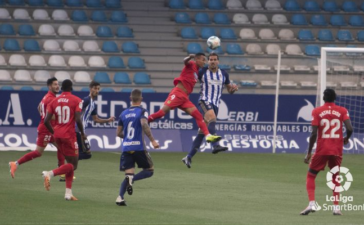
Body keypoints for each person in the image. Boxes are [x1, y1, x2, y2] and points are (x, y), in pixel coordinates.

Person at [300, 89, 353, 216]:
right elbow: (350, 128)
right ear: (335, 98)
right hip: (336, 150)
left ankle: (312, 203)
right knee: (335, 177)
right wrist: (346, 139)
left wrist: (308, 153)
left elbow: (314, 133)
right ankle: (336, 208)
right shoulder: (342, 110)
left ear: (323, 98)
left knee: (311, 175)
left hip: (322, 149)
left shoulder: (317, 111)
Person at [148, 53, 221, 143]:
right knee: (162, 113)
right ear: (197, 59)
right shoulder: (191, 64)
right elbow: (185, 61)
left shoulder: (197, 71)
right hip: (177, 94)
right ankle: (144, 121)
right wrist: (189, 57)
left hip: (184, 98)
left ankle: (208, 136)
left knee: (198, 116)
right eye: (203, 60)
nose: (204, 62)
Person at [182, 52, 238, 168]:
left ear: (218, 61)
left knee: (202, 133)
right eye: (210, 59)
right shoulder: (202, 72)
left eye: (215, 59)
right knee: (212, 117)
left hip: (216, 104)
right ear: (208, 61)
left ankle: (188, 157)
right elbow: (187, 67)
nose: (212, 61)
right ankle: (215, 145)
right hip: (204, 101)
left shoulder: (224, 74)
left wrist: (233, 89)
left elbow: (229, 90)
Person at [42, 79, 85, 201]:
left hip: (57, 135)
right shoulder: (77, 100)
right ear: (71, 87)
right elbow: (77, 119)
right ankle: (50, 174)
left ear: (61, 88)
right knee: (73, 165)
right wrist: (82, 133)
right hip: (69, 136)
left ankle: (68, 193)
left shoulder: (54, 101)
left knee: (69, 164)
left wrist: (54, 132)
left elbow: (46, 121)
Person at [115, 89, 159, 206]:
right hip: (139, 147)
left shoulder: (123, 113)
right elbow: (144, 124)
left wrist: (128, 138)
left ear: (130, 98)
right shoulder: (142, 111)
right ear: (141, 99)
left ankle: (120, 197)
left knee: (129, 174)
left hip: (126, 148)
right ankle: (132, 181)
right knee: (149, 170)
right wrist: (153, 140)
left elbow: (118, 133)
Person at [9, 78, 59, 178]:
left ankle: (62, 172)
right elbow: (51, 116)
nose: (57, 86)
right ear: (49, 86)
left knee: (62, 148)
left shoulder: (47, 97)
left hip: (49, 127)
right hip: (46, 129)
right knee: (38, 152)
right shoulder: (51, 99)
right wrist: (61, 117)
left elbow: (39, 107)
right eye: (55, 84)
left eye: (58, 84)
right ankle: (15, 164)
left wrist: (44, 116)